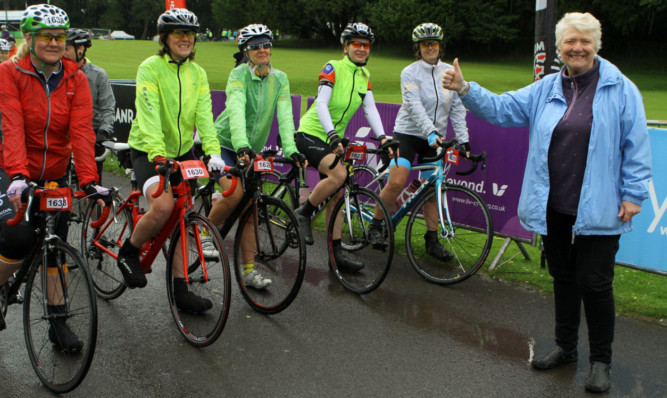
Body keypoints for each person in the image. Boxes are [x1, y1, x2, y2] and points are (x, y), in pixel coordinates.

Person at [442, 12, 652, 394]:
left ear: (596, 46)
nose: (577, 48)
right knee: (563, 277)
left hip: (600, 208)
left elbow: (635, 145)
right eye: (570, 41)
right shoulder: (546, 88)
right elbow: (504, 109)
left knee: (595, 284)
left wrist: (634, 194)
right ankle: (566, 348)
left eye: (585, 41)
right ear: (559, 48)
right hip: (554, 205)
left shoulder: (622, 89)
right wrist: (465, 88)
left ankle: (601, 361)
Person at [0, 4, 110, 351]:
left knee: (55, 248)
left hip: (53, 176)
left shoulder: (76, 79)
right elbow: (12, 126)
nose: (53, 42)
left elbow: (80, 132)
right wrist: (18, 174)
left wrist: (89, 181)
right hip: (11, 170)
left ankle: (58, 322)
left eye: (59, 37)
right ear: (28, 39)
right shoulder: (9, 73)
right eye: (46, 36)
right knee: (17, 239)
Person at [116, 8, 224, 313]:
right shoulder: (150, 68)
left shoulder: (198, 73)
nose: (186, 39)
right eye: (179, 33)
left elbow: (205, 116)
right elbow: (148, 116)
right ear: (165, 38)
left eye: (190, 34)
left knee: (184, 217)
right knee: (163, 205)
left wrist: (213, 151)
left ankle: (181, 290)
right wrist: (157, 154)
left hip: (181, 152)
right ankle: (129, 251)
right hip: (148, 150)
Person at [207, 23, 306, 289]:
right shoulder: (238, 75)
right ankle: (206, 233)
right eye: (255, 46)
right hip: (226, 143)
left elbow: (285, 117)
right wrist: (240, 145)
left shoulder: (280, 79)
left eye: (266, 45)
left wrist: (292, 148)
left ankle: (248, 271)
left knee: (251, 210)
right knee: (235, 193)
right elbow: (236, 109)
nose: (262, 50)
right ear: (246, 51)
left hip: (250, 150)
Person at [366, 23, 470, 259]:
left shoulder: (449, 73)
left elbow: (456, 109)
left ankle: (432, 241)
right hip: (409, 133)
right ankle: (375, 226)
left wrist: (463, 141)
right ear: (418, 47)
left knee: (431, 189)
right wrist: (430, 131)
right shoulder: (409, 72)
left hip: (435, 138)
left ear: (440, 46)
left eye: (433, 43)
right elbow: (413, 107)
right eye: (425, 44)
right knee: (397, 180)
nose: (430, 47)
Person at [293, 22, 388, 272]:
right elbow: (321, 104)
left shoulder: (364, 76)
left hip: (332, 139)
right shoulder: (333, 67)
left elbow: (370, 109)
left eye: (365, 45)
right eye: (356, 44)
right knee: (339, 174)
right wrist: (333, 134)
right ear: (345, 46)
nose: (361, 49)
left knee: (338, 196)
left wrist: (384, 138)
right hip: (311, 133)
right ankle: (303, 212)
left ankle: (336, 257)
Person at [64, 28, 116, 184]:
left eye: (66, 48)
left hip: (91, 135)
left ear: (80, 49)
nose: (62, 53)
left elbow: (108, 106)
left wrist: (104, 131)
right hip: (62, 136)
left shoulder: (98, 75)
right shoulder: (55, 73)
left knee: (93, 186)